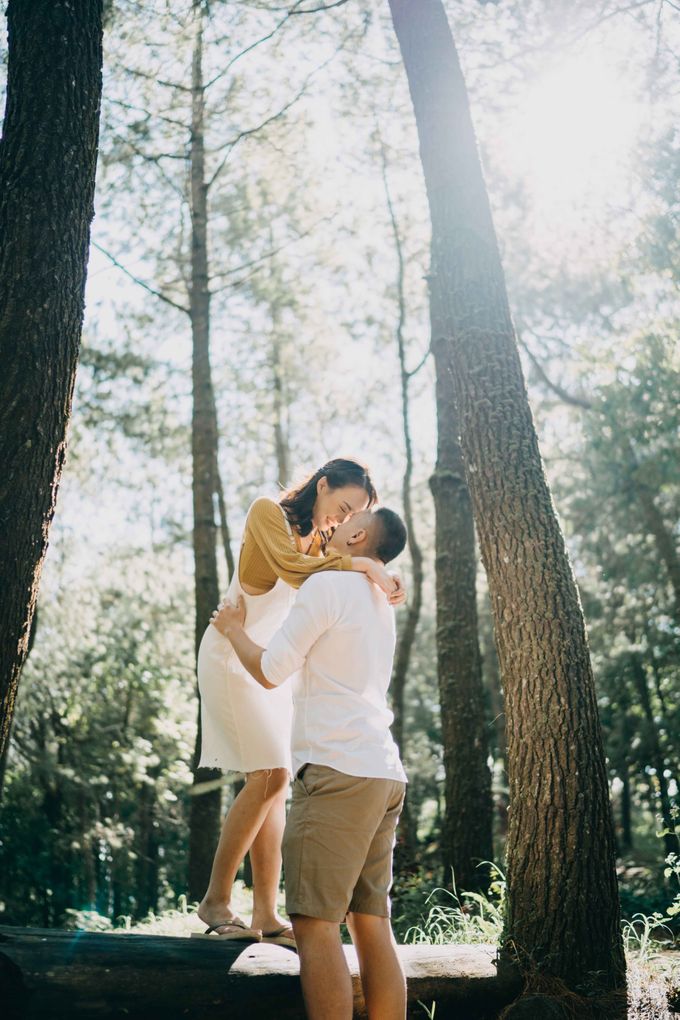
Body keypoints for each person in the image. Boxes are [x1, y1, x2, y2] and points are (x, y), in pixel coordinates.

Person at [193, 459, 405, 947]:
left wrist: (377, 574)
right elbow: (294, 571)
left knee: (277, 780)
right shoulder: (266, 511)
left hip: (267, 664)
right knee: (268, 777)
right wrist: (366, 564)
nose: (341, 518)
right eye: (343, 505)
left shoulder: (320, 544)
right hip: (232, 654)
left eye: (353, 515)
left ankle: (265, 914)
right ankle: (216, 901)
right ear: (323, 485)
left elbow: (324, 586)